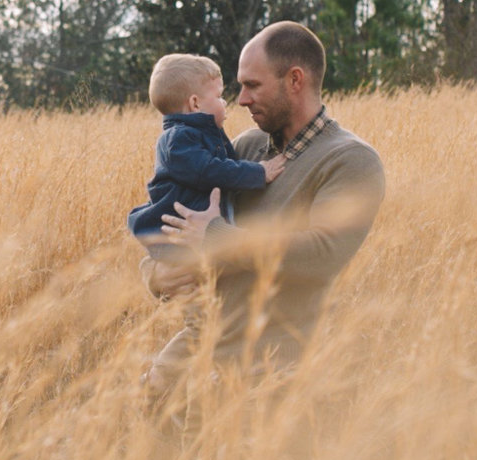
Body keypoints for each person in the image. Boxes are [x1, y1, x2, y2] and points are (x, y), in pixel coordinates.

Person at [143, 21, 386, 395]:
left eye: (252, 85)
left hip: (277, 383)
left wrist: (215, 236)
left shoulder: (351, 160)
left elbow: (322, 254)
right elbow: (174, 209)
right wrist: (157, 273)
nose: (240, 99)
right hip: (204, 371)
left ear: (294, 80)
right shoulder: (245, 149)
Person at [127, 52, 286, 259]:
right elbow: (209, 170)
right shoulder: (178, 138)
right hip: (182, 239)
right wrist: (258, 172)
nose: (226, 102)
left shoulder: (201, 134)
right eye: (219, 96)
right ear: (195, 104)